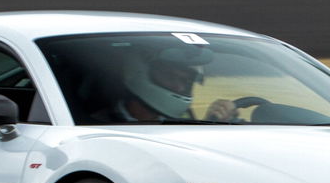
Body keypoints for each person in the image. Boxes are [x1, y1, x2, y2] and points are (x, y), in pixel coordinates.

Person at [90, 43, 238, 123]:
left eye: (186, 81)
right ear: (139, 72)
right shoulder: (96, 125)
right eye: (169, 76)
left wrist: (212, 122)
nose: (179, 87)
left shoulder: (181, 121)